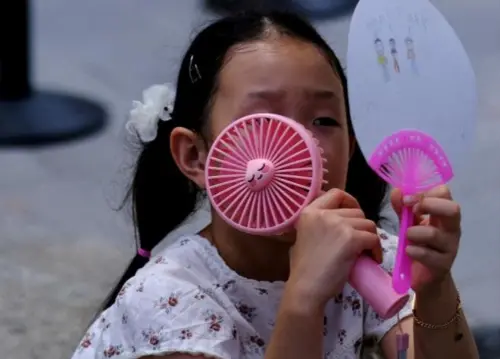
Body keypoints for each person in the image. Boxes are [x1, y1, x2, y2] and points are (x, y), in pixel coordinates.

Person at [71, 11, 479, 359]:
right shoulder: (168, 300)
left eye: (324, 121)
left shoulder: (371, 257)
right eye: (264, 121)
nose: (302, 147)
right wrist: (304, 297)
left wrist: (435, 287)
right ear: (196, 156)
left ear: (352, 148)